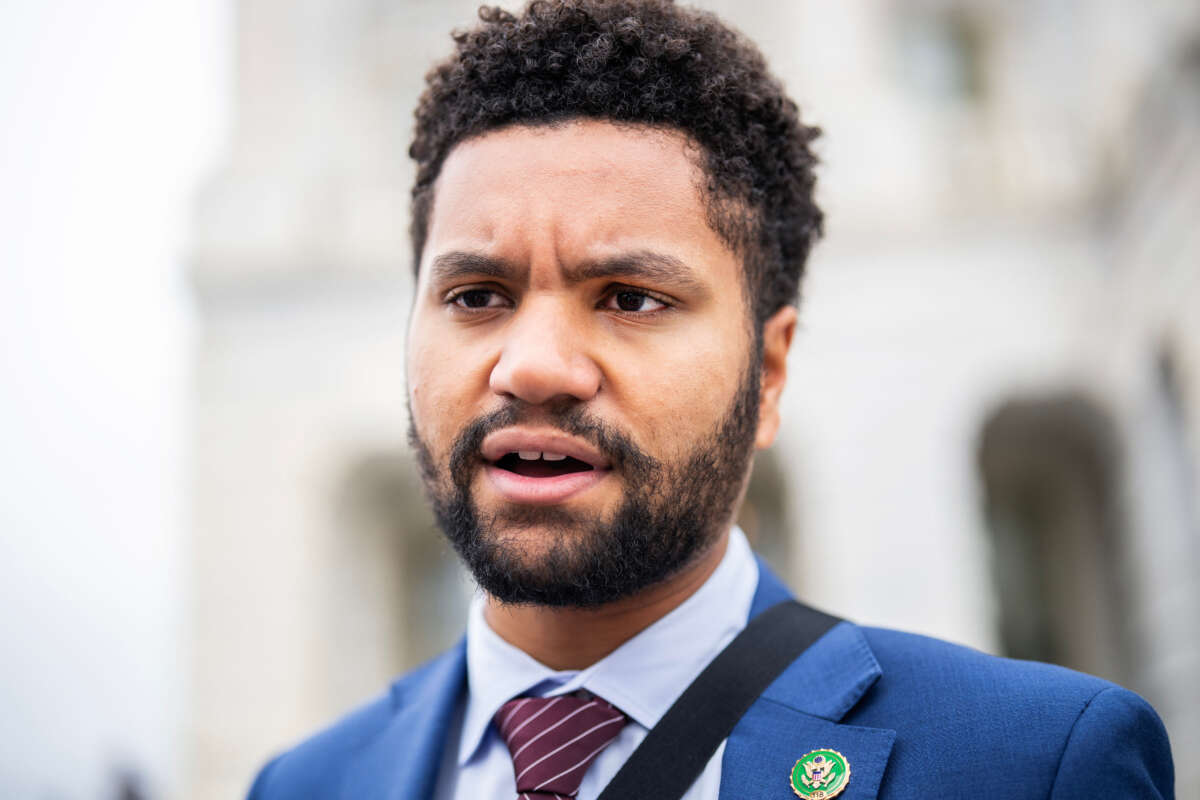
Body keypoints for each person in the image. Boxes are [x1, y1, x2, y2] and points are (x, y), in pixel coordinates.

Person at [246, 2, 1174, 798]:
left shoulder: (1034, 766)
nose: (533, 366)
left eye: (629, 298)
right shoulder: (306, 785)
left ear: (767, 373)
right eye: (476, 296)